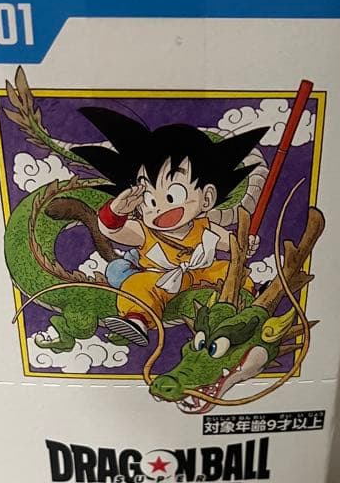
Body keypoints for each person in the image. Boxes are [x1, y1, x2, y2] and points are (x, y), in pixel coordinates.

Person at [77, 107, 265, 345]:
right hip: (160, 279)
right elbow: (112, 230)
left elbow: (231, 245)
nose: (160, 208)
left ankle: (252, 296)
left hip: (202, 274)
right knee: (137, 284)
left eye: (172, 196)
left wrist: (245, 245)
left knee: (228, 270)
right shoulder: (143, 231)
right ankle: (137, 319)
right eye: (150, 200)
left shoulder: (205, 226)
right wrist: (116, 211)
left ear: (207, 198)